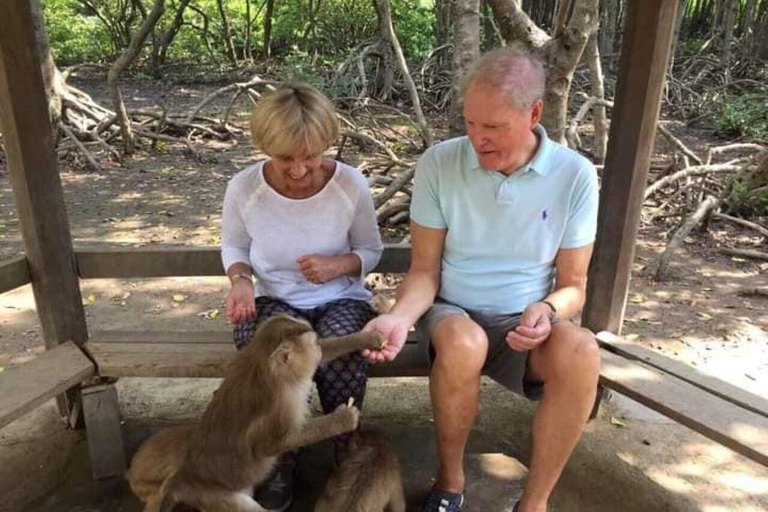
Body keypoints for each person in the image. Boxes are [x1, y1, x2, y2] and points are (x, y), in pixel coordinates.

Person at [363, 45, 601, 512]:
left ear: (533, 113)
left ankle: (534, 502)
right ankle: (450, 483)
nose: (478, 139)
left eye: (493, 127)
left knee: (583, 352)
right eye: (470, 124)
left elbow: (575, 283)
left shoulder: (574, 174)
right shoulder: (439, 163)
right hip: (453, 311)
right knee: (463, 342)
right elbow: (425, 270)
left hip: (526, 323)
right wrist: (398, 318)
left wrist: (547, 310)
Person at [221, 82, 383, 512]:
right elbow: (235, 247)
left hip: (339, 296)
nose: (298, 169)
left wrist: (338, 266)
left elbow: (371, 249)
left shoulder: (350, 185)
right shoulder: (244, 188)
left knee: (342, 354)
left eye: (310, 156)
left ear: (327, 144)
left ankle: (345, 450)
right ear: (265, 148)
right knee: (267, 357)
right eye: (285, 158)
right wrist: (240, 280)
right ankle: (280, 455)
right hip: (276, 298)